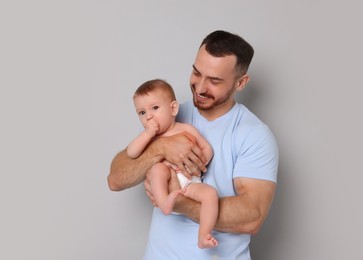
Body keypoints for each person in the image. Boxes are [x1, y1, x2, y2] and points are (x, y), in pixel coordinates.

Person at [108, 30, 279, 259]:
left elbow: (252, 216)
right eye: (197, 73)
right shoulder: (169, 116)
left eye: (215, 80)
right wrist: (160, 148)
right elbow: (116, 179)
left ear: (241, 83)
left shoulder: (254, 135)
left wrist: (182, 204)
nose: (199, 88)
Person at [126, 79, 218, 248]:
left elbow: (207, 149)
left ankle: (203, 235)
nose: (149, 116)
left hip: (189, 183)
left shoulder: (186, 129)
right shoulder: (149, 138)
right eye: (142, 113)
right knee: (157, 169)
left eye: (154, 108)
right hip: (167, 186)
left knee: (211, 195)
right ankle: (164, 203)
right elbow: (131, 152)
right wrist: (147, 134)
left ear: (173, 108)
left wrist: (197, 166)